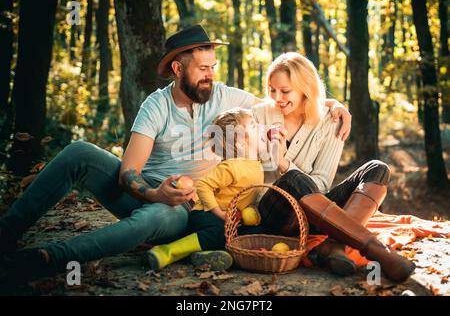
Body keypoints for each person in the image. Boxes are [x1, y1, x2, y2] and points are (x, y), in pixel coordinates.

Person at [0, 25, 351, 284]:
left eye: (213, 67)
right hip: (144, 191)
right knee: (79, 152)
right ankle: (7, 232)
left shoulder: (224, 95)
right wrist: (154, 192)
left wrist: (334, 104)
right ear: (178, 69)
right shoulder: (155, 105)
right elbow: (128, 173)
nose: (210, 76)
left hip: (186, 206)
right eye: (202, 69)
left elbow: (284, 99)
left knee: (157, 216)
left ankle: (47, 258)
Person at [254, 52, 415, 282]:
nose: (276, 97)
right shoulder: (257, 114)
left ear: (304, 88)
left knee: (377, 168)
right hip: (273, 213)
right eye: (272, 89)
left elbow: (321, 184)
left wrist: (334, 105)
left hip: (315, 214)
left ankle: (334, 246)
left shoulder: (330, 121)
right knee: (292, 180)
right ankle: (377, 250)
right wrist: (282, 165)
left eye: (285, 91)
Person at [144, 108, 265, 271]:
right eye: (253, 125)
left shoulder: (256, 165)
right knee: (221, 231)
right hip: (205, 214)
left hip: (229, 217)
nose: (259, 127)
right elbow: (203, 185)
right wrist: (218, 212)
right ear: (240, 142)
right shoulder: (232, 166)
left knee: (256, 231)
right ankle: (167, 251)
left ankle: (204, 254)